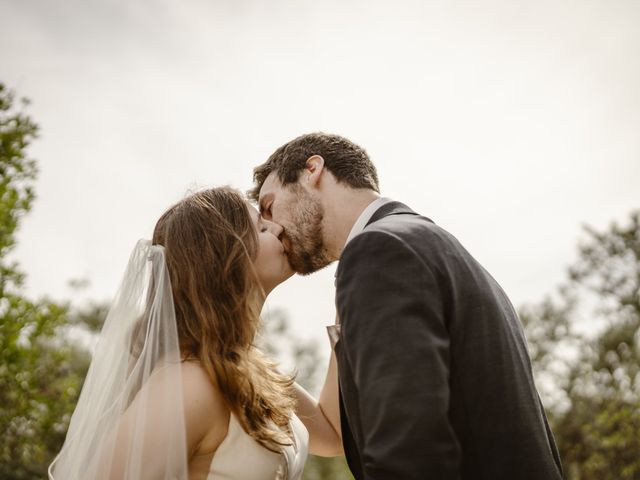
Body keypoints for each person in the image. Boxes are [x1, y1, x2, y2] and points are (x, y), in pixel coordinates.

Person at [250, 132, 564, 479]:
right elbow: (336, 429)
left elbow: (409, 452)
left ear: (312, 170)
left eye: (268, 207)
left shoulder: (380, 251)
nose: (274, 228)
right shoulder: (419, 245)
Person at [49, 187, 343, 480]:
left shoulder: (250, 371)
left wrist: (350, 303)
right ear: (223, 257)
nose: (278, 228)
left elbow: (332, 435)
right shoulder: (187, 384)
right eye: (261, 227)